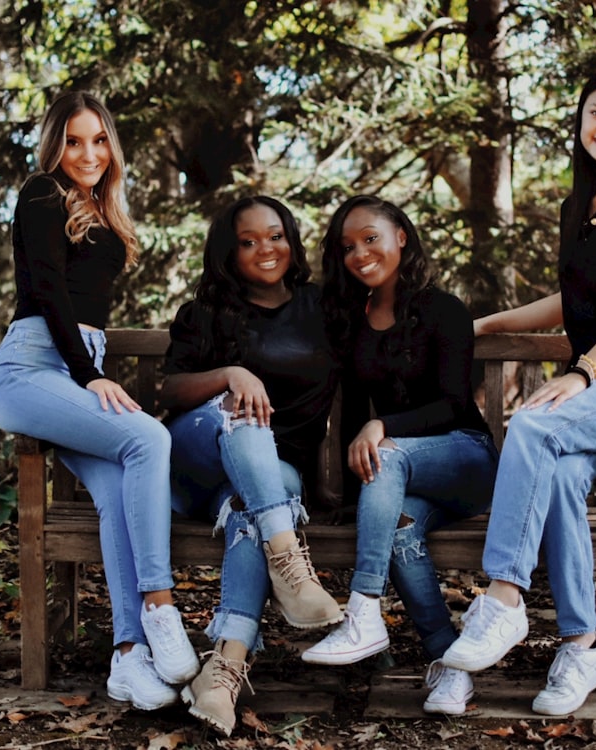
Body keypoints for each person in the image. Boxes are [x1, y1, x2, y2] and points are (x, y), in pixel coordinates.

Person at [441, 68, 596, 715]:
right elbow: (572, 300)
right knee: (553, 478)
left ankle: (502, 599)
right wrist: (491, 324)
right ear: (580, 122)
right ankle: (584, 644)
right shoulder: (576, 209)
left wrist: (582, 372)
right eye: (594, 114)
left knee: (532, 425)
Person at [0, 91, 199, 711]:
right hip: (32, 369)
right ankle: (160, 606)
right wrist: (89, 375)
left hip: (76, 366)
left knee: (114, 495)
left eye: (99, 140)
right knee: (148, 437)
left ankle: (129, 657)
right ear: (55, 144)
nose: (88, 153)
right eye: (75, 141)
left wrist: (89, 368)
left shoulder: (100, 209)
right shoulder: (40, 192)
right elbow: (48, 291)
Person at [301, 195, 500, 716]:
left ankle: (363, 609)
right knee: (400, 529)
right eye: (347, 246)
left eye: (371, 238)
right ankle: (450, 666)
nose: (360, 253)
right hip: (398, 475)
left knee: (388, 457)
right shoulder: (354, 317)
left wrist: (383, 425)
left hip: (464, 460)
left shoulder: (444, 309)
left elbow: (455, 404)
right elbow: (351, 422)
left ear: (401, 238)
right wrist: (351, 497)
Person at [160, 196, 343, 736]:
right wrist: (232, 373)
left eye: (276, 235)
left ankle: (223, 672)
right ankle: (291, 565)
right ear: (229, 252)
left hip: (270, 479)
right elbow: (168, 389)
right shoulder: (206, 312)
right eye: (248, 241)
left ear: (291, 239)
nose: (266, 249)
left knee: (256, 510)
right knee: (240, 412)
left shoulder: (323, 309)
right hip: (198, 458)